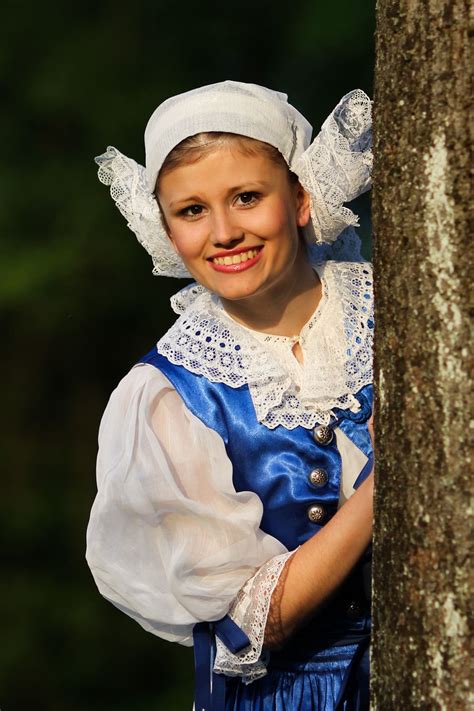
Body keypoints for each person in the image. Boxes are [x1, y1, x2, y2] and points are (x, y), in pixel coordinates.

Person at [86, 80, 374, 710]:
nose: (223, 232)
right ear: (163, 227)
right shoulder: (168, 394)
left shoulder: (400, 311)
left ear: (300, 197)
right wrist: (387, 487)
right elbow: (252, 623)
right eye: (192, 211)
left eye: (246, 197)